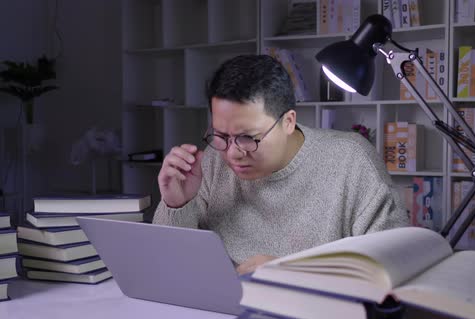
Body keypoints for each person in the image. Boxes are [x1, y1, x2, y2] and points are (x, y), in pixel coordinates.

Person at [153, 54, 408, 275]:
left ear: (288, 121)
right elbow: (169, 266)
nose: (232, 153)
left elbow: (394, 266)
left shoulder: (352, 161)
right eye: (221, 136)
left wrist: (298, 274)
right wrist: (177, 204)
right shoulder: (210, 163)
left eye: (247, 137)